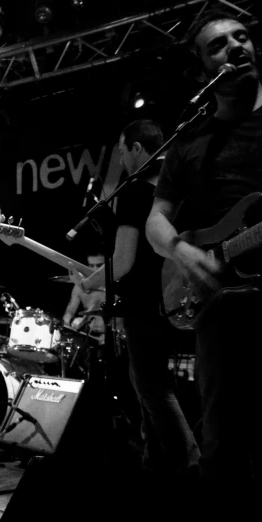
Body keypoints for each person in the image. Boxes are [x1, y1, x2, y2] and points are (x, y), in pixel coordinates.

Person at [145, 9, 262, 505]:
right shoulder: (189, 142)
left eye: (242, 37)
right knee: (223, 437)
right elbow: (156, 220)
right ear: (201, 72)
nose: (237, 47)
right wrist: (181, 249)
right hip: (223, 302)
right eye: (219, 45)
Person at [71, 120, 200, 476]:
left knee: (153, 391)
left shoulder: (132, 193)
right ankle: (155, 468)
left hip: (143, 304)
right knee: (150, 393)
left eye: (123, 150)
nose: (122, 158)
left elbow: (123, 263)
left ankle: (192, 468)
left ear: (138, 149)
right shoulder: (173, 191)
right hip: (176, 301)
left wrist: (90, 282)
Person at [62, 253, 106, 341]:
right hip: (88, 336)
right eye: (91, 266)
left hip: (111, 337)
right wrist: (71, 321)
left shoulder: (116, 287)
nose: (94, 270)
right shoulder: (80, 286)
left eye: (99, 266)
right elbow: (68, 314)